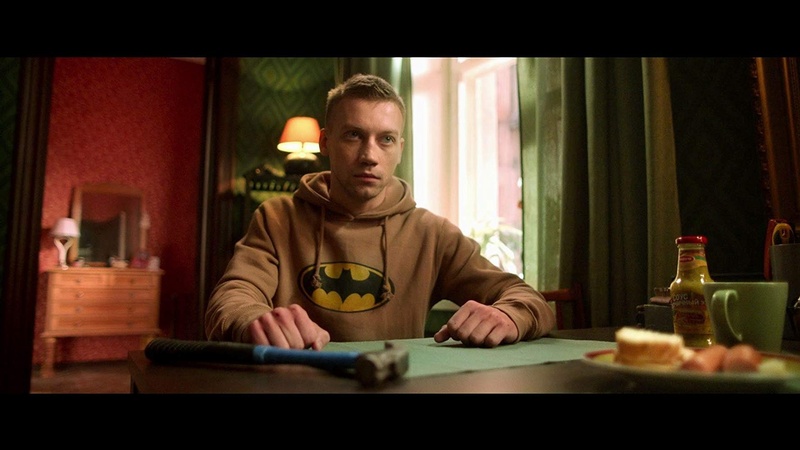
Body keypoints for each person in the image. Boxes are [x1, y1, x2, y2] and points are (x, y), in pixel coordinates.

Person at [205, 73, 555, 350]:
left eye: (385, 139)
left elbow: (528, 299)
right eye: (353, 135)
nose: (369, 156)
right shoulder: (277, 218)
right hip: (298, 379)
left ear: (399, 149)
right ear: (325, 142)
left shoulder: (431, 233)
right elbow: (232, 297)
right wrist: (252, 320)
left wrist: (509, 316)